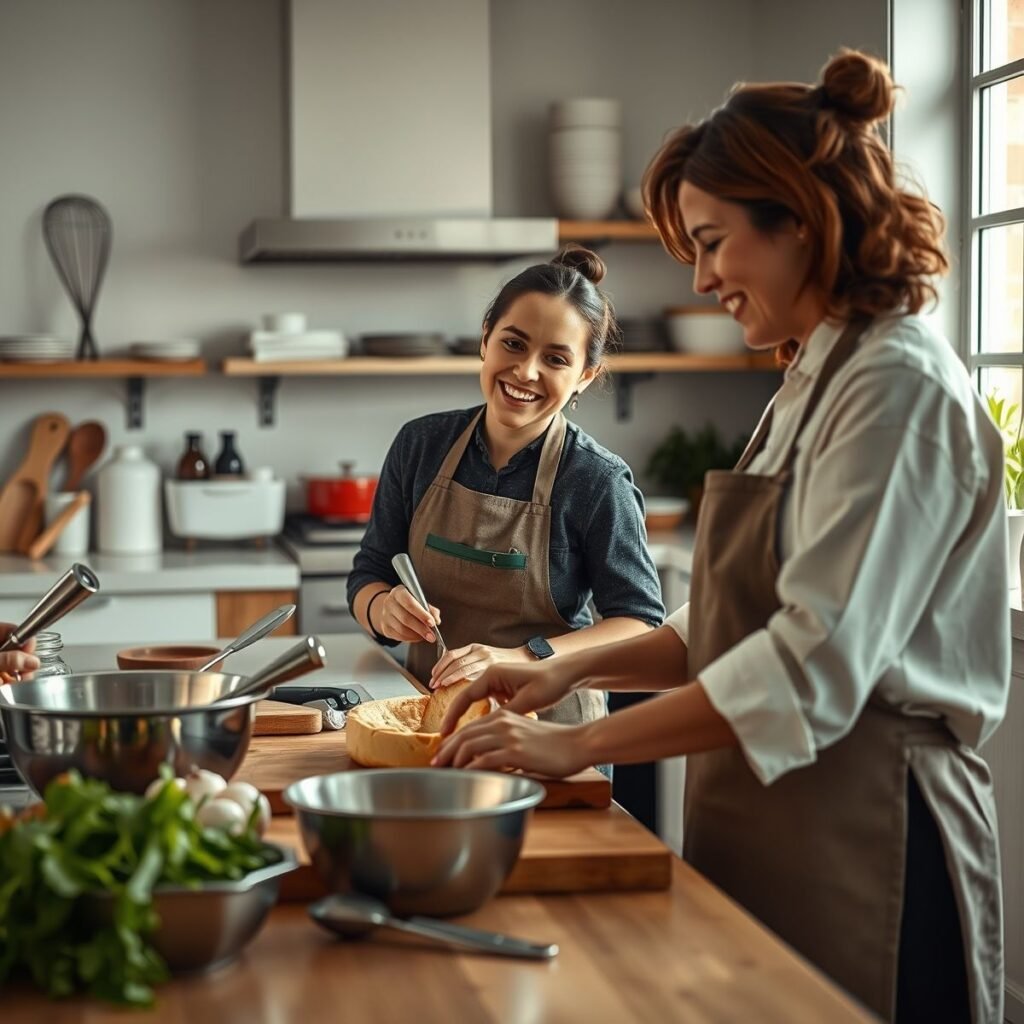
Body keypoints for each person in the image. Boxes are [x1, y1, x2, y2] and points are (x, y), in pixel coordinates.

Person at [434, 50, 1009, 1023]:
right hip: (781, 815)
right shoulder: (819, 376)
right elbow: (737, 622)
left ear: (799, 219)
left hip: (873, 830)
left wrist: (578, 747)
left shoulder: (894, 387)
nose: (699, 278)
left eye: (711, 241)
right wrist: (564, 674)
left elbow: (807, 663)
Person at [347, 245, 664, 724]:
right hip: (432, 718)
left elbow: (639, 625)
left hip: (554, 729)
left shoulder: (596, 479)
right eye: (513, 344)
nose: (526, 371)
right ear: (485, 340)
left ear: (585, 377)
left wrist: (520, 658)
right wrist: (381, 608)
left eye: (556, 359)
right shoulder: (420, 445)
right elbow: (369, 573)